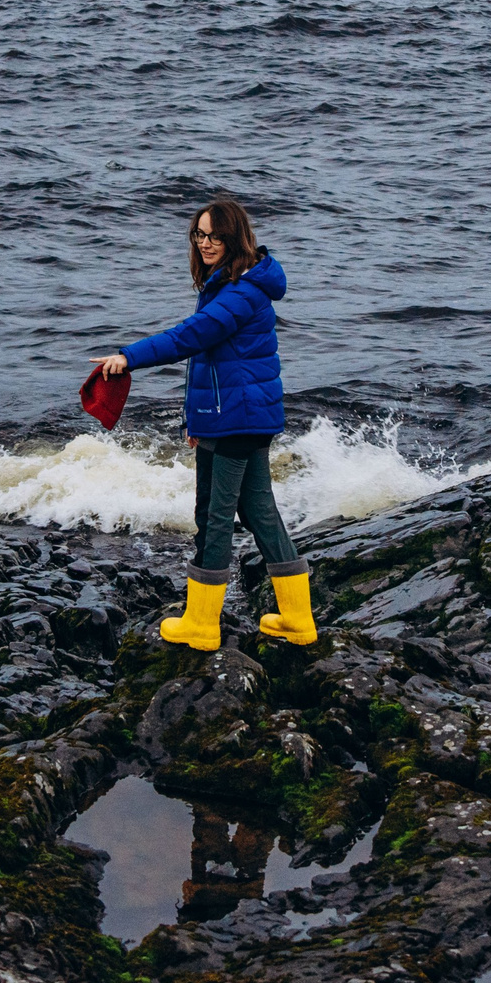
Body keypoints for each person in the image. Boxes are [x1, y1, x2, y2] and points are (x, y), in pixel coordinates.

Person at [92, 197, 316, 650]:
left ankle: (202, 623)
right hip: (236, 418)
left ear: (234, 237)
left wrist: (128, 357)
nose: (206, 243)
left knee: (213, 517)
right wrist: (198, 420)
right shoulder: (231, 283)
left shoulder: (240, 293)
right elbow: (212, 364)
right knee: (259, 513)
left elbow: (189, 339)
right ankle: (298, 619)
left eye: (215, 235)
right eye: (199, 234)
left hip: (237, 421)